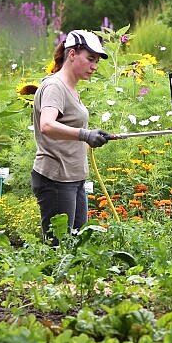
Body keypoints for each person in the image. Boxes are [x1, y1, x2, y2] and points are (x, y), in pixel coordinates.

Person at [31, 30, 112, 242]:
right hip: (56, 178)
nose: (94, 66)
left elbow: (67, 124)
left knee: (76, 247)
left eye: (97, 62)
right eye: (90, 59)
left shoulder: (70, 87)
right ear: (72, 54)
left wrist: (91, 135)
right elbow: (47, 124)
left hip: (73, 178)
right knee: (59, 249)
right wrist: (84, 134)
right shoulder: (54, 86)